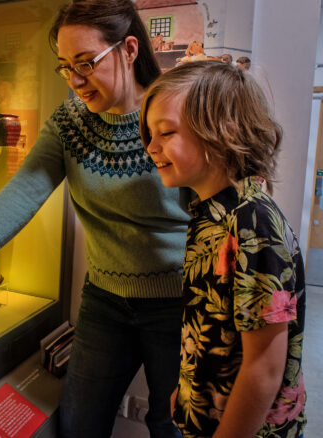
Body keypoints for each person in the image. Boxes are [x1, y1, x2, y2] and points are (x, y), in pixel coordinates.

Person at [0, 1, 191, 436]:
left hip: (179, 302)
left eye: (86, 63)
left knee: (176, 425)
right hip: (106, 299)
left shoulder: (174, 112)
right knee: (80, 423)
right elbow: (23, 190)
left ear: (128, 49)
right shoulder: (72, 122)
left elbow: (217, 203)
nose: (75, 79)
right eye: (65, 66)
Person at [140, 61, 306, 437]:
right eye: (150, 134)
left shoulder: (251, 222)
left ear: (221, 133)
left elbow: (263, 370)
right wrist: (186, 393)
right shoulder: (210, 213)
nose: (151, 147)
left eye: (165, 132)